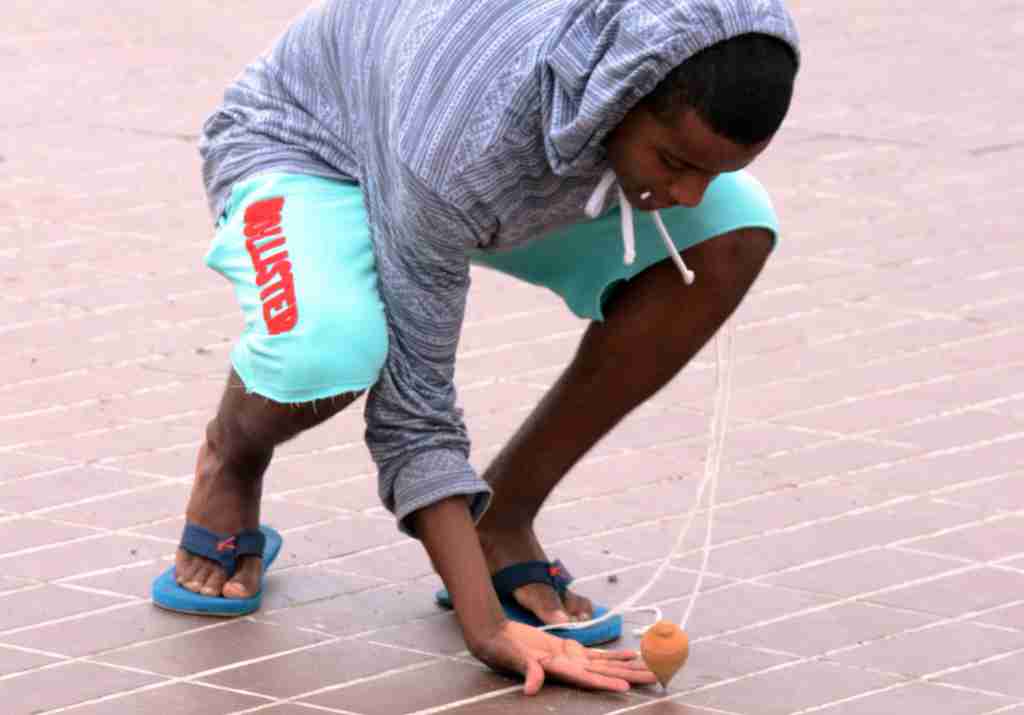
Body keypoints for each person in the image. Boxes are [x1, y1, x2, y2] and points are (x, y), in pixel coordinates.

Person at [152, 0, 799, 695]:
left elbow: (691, 158)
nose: (688, 191)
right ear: (620, 94)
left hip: (504, 155)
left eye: (714, 168)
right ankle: (232, 457)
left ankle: (504, 517)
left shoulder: (654, 68)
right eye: (675, 162)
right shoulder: (463, 144)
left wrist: (683, 171)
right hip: (313, 143)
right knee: (330, 349)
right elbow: (412, 403)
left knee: (732, 231)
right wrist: (485, 625)